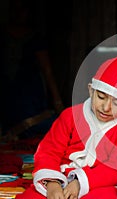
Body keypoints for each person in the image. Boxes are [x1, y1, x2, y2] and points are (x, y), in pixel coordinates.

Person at [15, 40, 117, 199]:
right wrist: (52, 183)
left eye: (116, 102)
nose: (106, 107)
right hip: (61, 178)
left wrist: (81, 183)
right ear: (91, 90)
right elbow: (48, 151)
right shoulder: (70, 116)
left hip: (99, 183)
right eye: (101, 97)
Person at [0, 0, 64, 140]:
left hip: (29, 95)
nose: (18, 13)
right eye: (15, 9)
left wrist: (57, 101)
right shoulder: (3, 34)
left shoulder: (34, 37)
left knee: (47, 126)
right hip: (7, 92)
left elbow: (47, 70)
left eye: (22, 9)